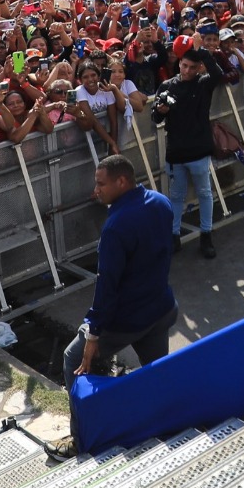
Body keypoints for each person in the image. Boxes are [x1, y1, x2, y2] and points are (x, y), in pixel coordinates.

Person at [53, 154, 177, 459]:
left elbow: (106, 288)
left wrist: (94, 334)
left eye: (101, 183)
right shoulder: (162, 202)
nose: (96, 190)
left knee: (73, 359)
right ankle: (169, 421)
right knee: (157, 373)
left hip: (126, 320)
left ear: (122, 182)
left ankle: (82, 438)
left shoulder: (115, 227)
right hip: (160, 309)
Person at [153, 37, 226, 259]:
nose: (187, 70)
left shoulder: (204, 83)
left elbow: (219, 75)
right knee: (176, 195)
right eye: (184, 65)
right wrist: (162, 111)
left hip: (199, 150)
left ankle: (206, 234)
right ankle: (174, 235)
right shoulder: (166, 86)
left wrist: (200, 50)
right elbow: (155, 117)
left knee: (204, 193)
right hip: (176, 151)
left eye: (192, 67)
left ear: (199, 68)